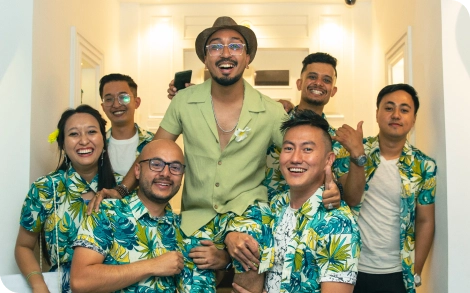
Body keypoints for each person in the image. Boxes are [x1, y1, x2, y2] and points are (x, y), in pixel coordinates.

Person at [231, 109, 360, 293]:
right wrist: (230, 237)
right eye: (289, 148)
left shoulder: (337, 224)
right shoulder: (275, 206)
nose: (295, 158)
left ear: (328, 160)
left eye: (307, 149)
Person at [14, 104, 119, 293]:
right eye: (74, 134)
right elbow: (23, 246)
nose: (84, 140)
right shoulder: (46, 188)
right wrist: (38, 285)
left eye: (92, 132)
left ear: (104, 140)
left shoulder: (121, 190)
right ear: (62, 143)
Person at [344, 84, 436, 293]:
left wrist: (416, 270)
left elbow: (425, 220)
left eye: (404, 110)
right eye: (388, 108)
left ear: (413, 119)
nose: (396, 115)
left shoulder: (424, 166)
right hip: (349, 266)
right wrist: (356, 155)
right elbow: (349, 199)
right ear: (377, 113)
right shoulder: (350, 151)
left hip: (396, 272)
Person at [70, 139, 186, 292]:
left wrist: (222, 261)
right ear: (137, 170)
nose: (165, 173)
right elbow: (80, 281)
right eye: (156, 164)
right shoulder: (107, 213)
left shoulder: (181, 226)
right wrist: (152, 265)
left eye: (175, 167)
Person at [99, 73, 154, 177]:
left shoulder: (154, 142)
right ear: (102, 107)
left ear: (137, 102)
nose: (116, 105)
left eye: (123, 97)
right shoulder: (96, 146)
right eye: (109, 99)